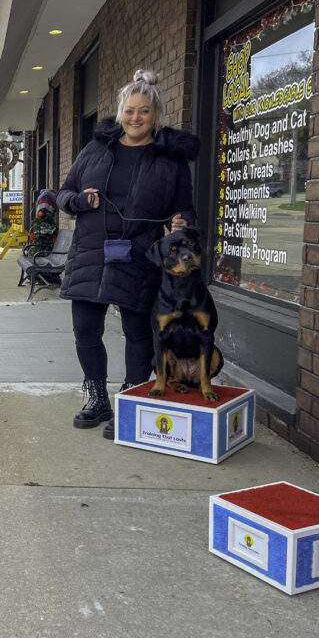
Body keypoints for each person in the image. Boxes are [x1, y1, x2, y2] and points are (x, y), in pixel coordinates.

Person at [56, 70, 198, 439]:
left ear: (156, 115)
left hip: (140, 256)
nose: (135, 118)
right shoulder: (95, 150)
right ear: (121, 113)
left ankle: (130, 402)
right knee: (86, 331)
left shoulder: (170, 161)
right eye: (130, 111)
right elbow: (63, 194)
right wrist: (80, 200)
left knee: (138, 334)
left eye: (144, 112)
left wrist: (182, 225)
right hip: (90, 252)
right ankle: (96, 397)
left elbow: (186, 210)